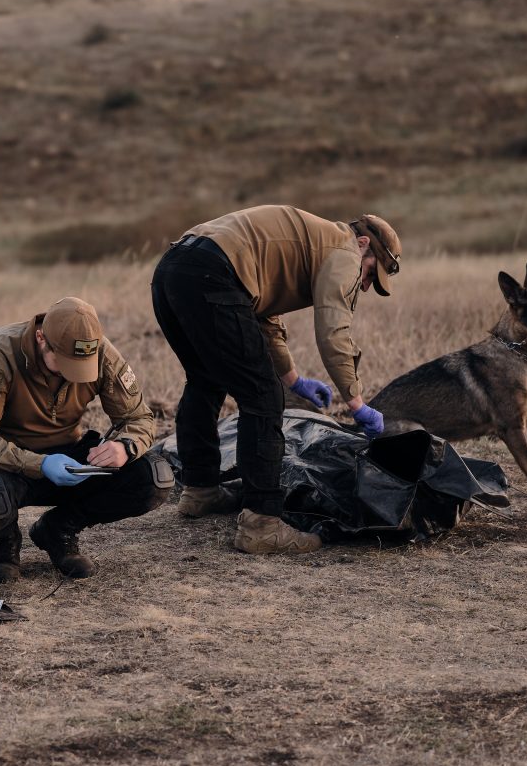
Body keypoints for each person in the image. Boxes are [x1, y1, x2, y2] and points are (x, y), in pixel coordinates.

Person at [151, 204, 400, 554]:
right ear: (363, 244)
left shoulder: (309, 243)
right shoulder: (345, 250)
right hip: (213, 272)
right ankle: (262, 525)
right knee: (263, 397)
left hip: (174, 269)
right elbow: (333, 332)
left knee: (205, 381)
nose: (368, 285)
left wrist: (294, 380)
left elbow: (263, 315)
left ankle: (201, 490)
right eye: (372, 274)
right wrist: (357, 402)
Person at [0, 296, 172, 583]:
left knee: (153, 477)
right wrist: (40, 464)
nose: (73, 373)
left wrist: (125, 447)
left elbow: (139, 418)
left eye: (82, 365)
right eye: (64, 362)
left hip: (71, 462)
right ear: (41, 338)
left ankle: (58, 529)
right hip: (8, 466)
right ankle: (4, 542)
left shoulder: (100, 351)